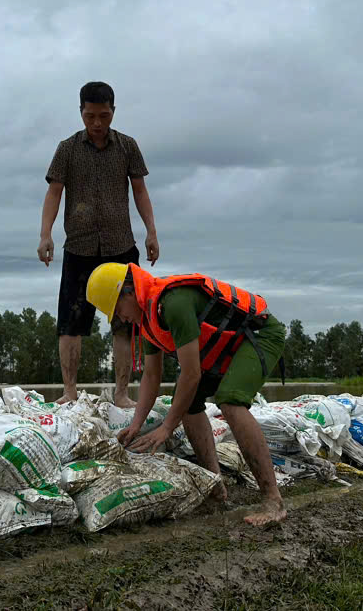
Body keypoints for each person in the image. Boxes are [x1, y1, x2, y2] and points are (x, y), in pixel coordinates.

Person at [85, 262, 288, 527]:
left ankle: (274, 501)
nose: (121, 319)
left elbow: (191, 374)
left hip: (258, 336)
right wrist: (135, 425)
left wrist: (167, 427)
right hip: (226, 347)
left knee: (230, 400)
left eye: (117, 310)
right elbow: (151, 376)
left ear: (128, 291)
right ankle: (214, 487)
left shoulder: (173, 303)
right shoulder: (148, 319)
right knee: (189, 402)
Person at [38, 81, 159, 406]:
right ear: (81, 113)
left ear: (113, 113)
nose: (97, 124)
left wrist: (151, 231)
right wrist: (45, 234)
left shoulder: (127, 146)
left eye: (103, 116)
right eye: (90, 116)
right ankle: (70, 392)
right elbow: (54, 192)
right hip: (79, 247)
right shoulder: (67, 148)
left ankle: (121, 394)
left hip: (121, 247)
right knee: (70, 322)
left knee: (125, 324)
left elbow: (140, 191)